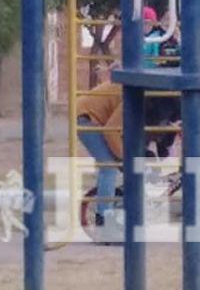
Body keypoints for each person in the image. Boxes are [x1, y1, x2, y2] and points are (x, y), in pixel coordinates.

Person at [74, 78, 182, 234]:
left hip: (107, 121)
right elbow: (110, 132)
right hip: (87, 117)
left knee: (140, 162)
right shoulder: (133, 100)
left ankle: (129, 203)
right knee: (108, 166)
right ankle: (104, 221)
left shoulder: (156, 101)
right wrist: (125, 159)